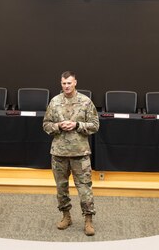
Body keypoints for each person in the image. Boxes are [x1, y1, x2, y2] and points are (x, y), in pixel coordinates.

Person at [43, 71, 99, 236]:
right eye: (63, 83)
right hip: (59, 154)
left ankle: (88, 220)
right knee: (61, 188)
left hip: (80, 153)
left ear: (75, 82)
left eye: (69, 83)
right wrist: (58, 126)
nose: (66, 86)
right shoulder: (54, 102)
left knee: (84, 189)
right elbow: (46, 124)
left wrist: (77, 125)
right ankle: (66, 216)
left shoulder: (85, 101)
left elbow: (95, 125)